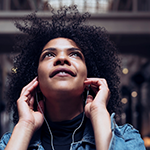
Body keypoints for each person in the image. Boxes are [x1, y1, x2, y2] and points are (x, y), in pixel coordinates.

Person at [0, 5, 146, 150]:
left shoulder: (128, 138)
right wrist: (26, 125)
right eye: (49, 54)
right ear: (35, 78)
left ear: (89, 76)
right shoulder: (11, 142)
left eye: (75, 54)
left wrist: (99, 113)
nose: (62, 59)